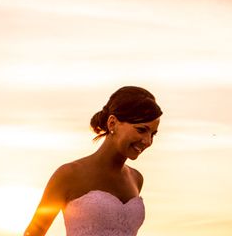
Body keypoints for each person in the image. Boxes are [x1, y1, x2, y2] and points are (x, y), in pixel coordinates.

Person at [22, 86, 163, 236]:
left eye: (153, 134)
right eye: (141, 130)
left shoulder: (136, 179)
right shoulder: (69, 174)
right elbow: (34, 232)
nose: (147, 141)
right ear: (112, 123)